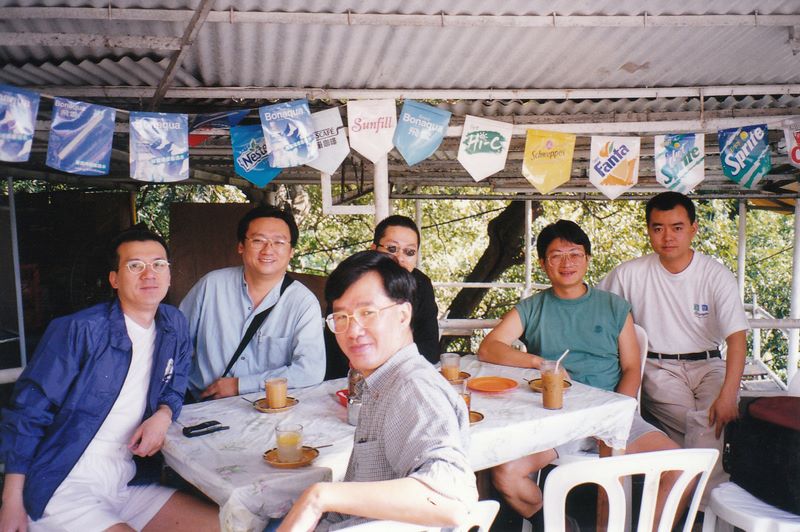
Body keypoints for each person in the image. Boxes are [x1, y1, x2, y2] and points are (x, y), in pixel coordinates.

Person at [0, 225, 219, 531]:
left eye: (158, 264)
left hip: (127, 480)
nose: (149, 274)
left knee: (227, 525)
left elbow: (176, 380)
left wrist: (164, 414)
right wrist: (11, 500)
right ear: (114, 279)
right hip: (63, 484)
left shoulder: (173, 324)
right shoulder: (80, 330)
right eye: (135, 266)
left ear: (169, 274)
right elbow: (28, 413)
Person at [478, 220, 681, 525]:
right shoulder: (533, 308)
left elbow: (631, 368)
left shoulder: (614, 306)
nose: (567, 263)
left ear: (587, 258)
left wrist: (613, 416)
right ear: (543, 264)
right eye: (557, 256)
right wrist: (540, 363)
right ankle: (561, 527)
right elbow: (489, 347)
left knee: (679, 468)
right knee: (506, 474)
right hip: (558, 419)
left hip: (613, 414)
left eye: (574, 254)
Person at [279, 251, 477, 531]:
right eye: (341, 317)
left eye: (367, 313)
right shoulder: (382, 382)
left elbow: (451, 498)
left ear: (403, 315)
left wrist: (320, 497)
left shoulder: (413, 388)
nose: (353, 330)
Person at [598, 191, 749, 498]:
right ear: (648, 230)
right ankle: (706, 509)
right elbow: (595, 312)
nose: (668, 237)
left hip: (709, 364)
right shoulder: (629, 274)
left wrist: (728, 394)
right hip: (659, 367)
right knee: (703, 424)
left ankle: (687, 502)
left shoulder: (715, 274)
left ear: (693, 228)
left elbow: (737, 338)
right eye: (658, 228)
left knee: (712, 417)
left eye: (677, 227)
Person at [180, 205, 325, 400]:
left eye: (279, 242)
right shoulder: (211, 285)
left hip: (269, 408)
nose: (268, 249)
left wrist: (240, 385)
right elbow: (175, 342)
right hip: (204, 405)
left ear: (291, 251)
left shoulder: (303, 303)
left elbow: (310, 371)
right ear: (241, 246)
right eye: (258, 240)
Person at [325, 215, 440, 379]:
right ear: (374, 249)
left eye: (409, 252)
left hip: (404, 375)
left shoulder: (422, 285)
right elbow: (335, 350)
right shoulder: (352, 283)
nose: (400, 258)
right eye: (392, 248)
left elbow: (430, 349)